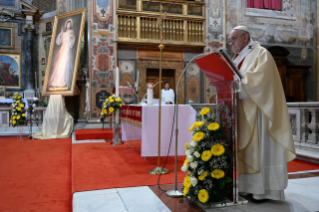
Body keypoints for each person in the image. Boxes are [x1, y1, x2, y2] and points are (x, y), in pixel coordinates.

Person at [229, 26, 296, 202]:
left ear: (245, 37)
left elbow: (260, 80)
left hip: (260, 112)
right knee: (250, 151)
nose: (232, 43)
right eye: (231, 40)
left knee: (261, 150)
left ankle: (263, 191)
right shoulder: (237, 58)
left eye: (234, 39)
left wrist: (236, 82)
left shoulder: (261, 54)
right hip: (244, 111)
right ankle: (247, 188)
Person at [48, 19, 76, 90]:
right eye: (67, 24)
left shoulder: (71, 32)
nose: (68, 25)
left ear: (71, 25)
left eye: (69, 24)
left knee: (64, 65)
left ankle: (62, 80)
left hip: (67, 50)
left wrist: (71, 37)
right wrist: (61, 33)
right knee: (60, 65)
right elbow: (58, 42)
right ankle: (58, 79)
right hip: (62, 50)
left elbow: (73, 40)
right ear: (66, 25)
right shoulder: (63, 33)